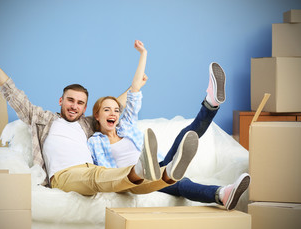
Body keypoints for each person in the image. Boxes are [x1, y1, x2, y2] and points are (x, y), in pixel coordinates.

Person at [0, 38, 194, 196]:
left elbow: (115, 104)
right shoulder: (41, 118)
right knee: (98, 176)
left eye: (80, 103)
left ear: (86, 108)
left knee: (131, 184)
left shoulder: (87, 124)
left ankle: (169, 174)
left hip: (94, 170)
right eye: (70, 100)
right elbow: (10, 90)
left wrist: (136, 84)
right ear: (61, 101)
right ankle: (139, 169)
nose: (74, 106)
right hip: (63, 176)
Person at [88, 40, 250, 210]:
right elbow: (98, 174)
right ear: (97, 116)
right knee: (178, 183)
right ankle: (222, 194)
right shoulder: (95, 142)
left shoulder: (126, 126)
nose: (113, 113)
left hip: (155, 166)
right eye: (107, 110)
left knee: (184, 136)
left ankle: (211, 102)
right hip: (134, 179)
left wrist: (144, 54)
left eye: (116, 110)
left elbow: (134, 90)